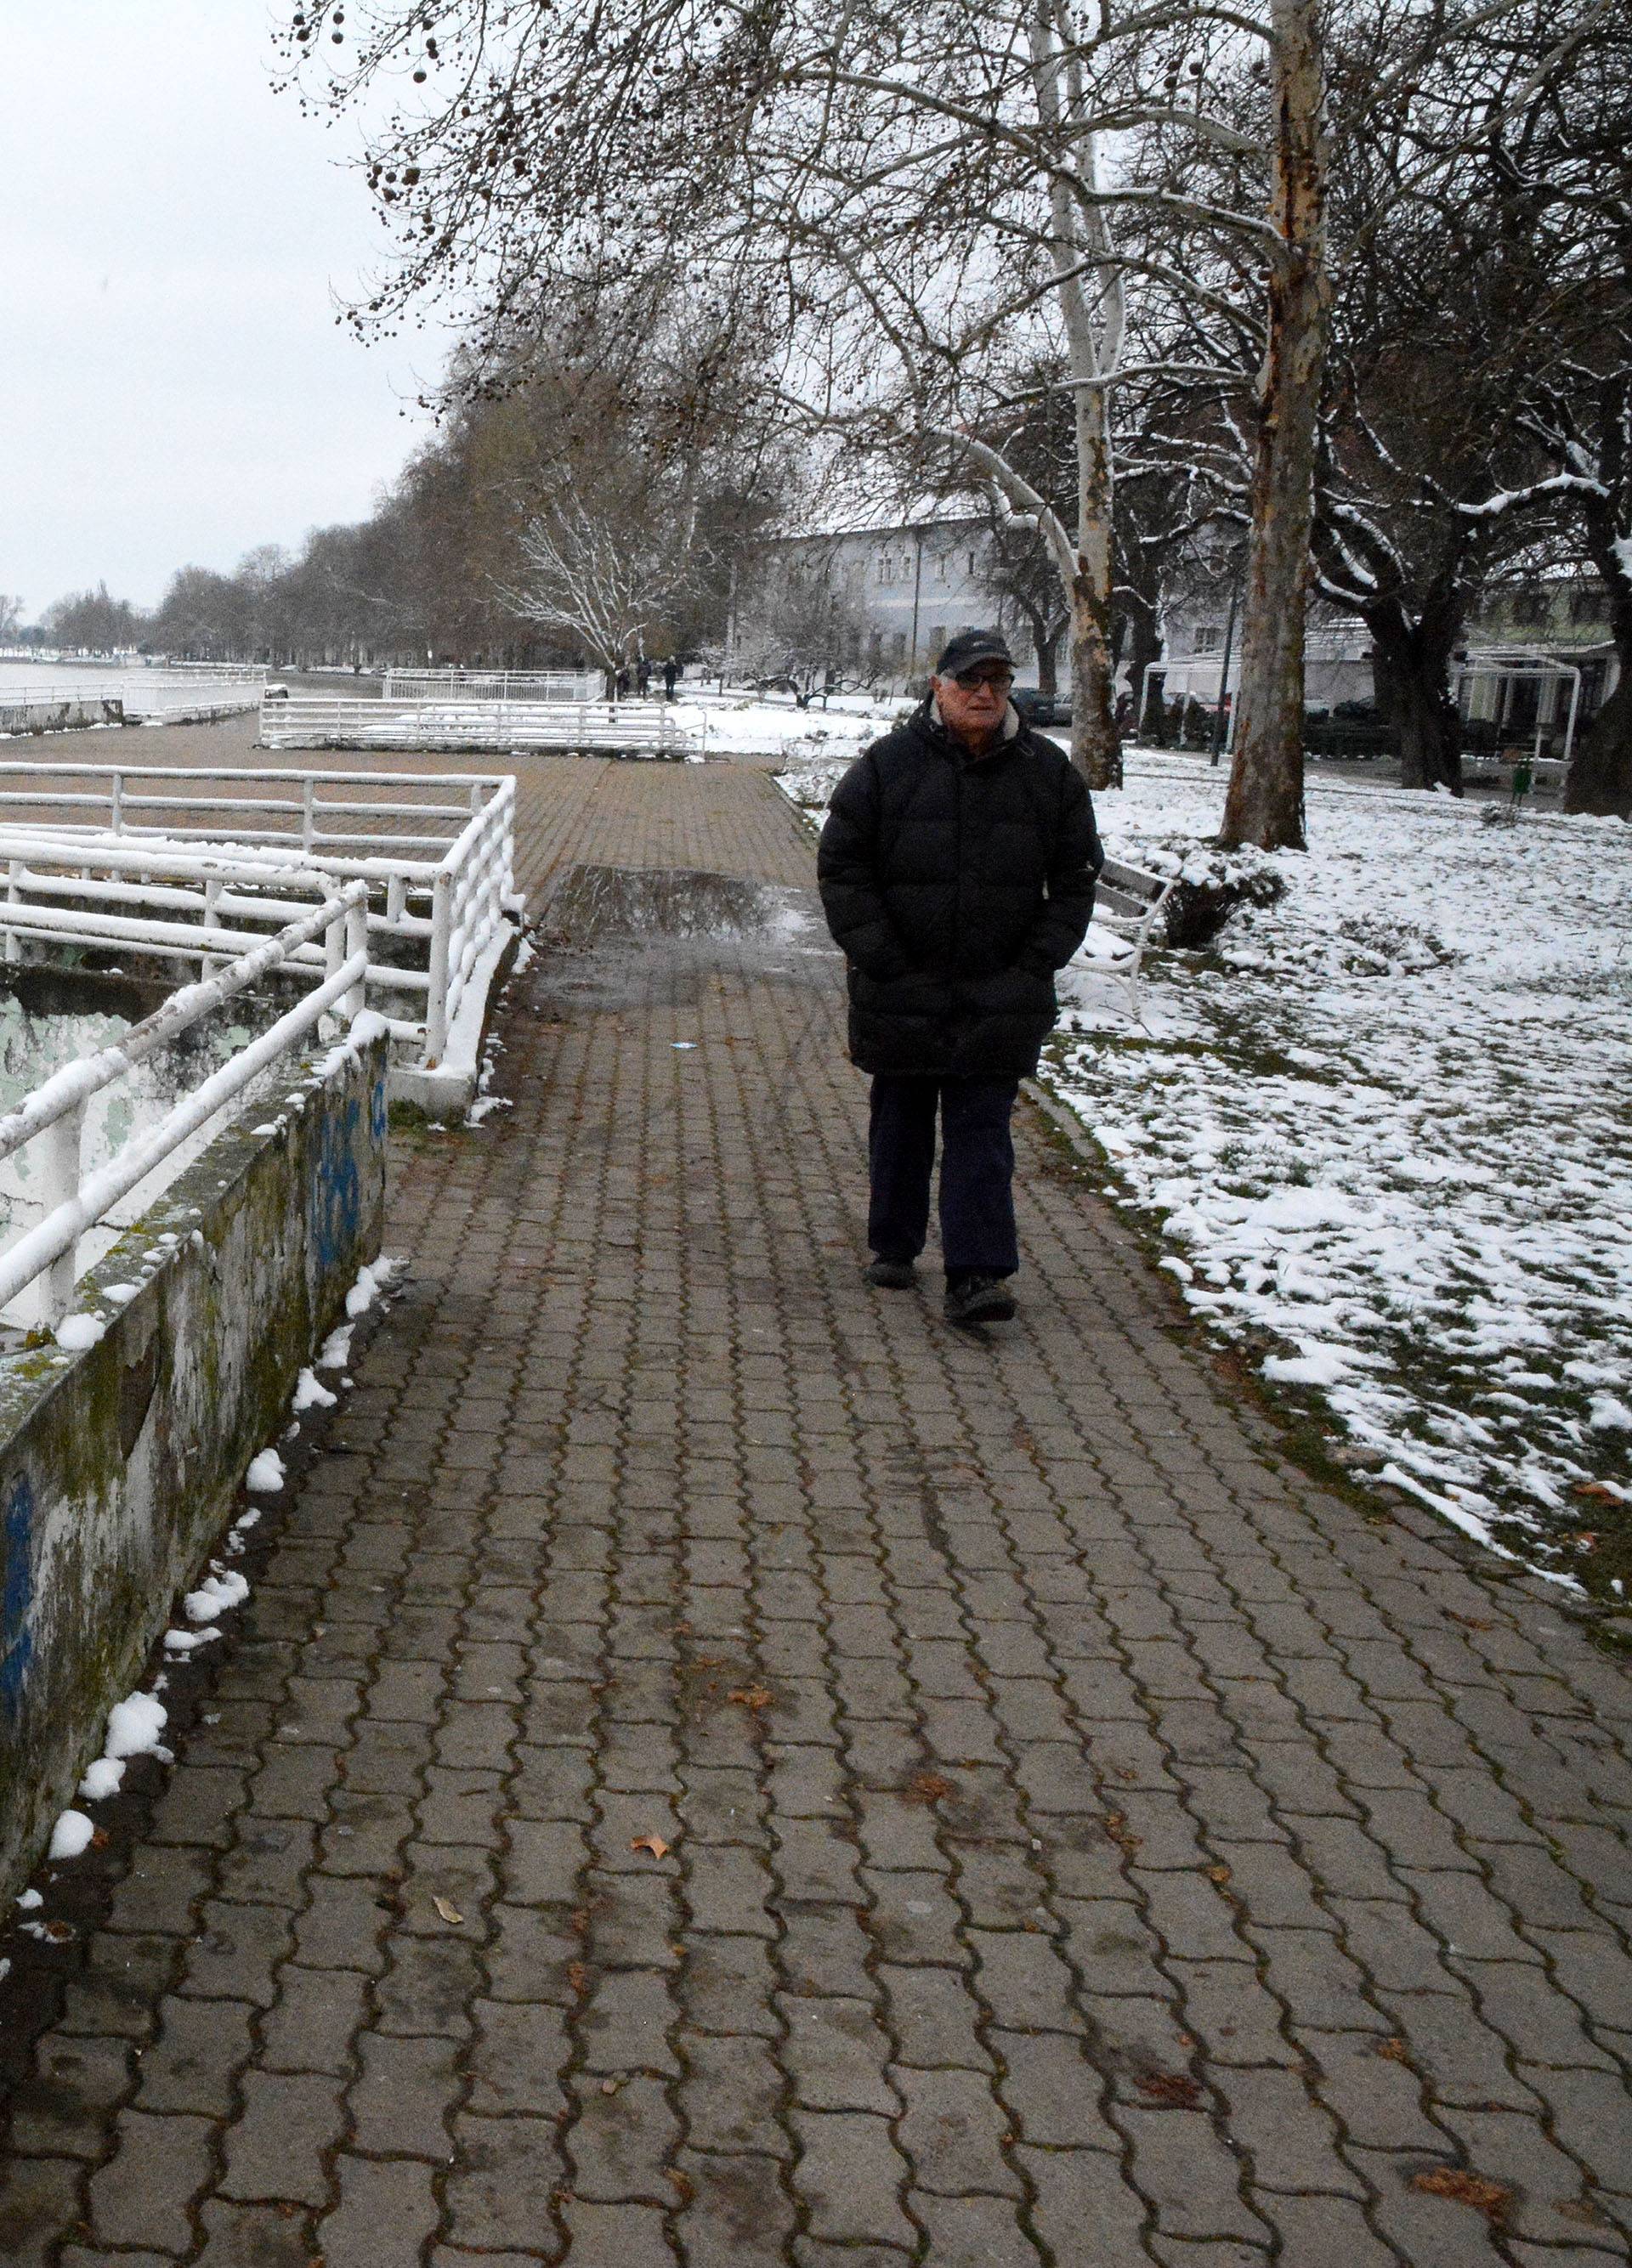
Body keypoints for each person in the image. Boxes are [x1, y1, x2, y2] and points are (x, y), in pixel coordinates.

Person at [818, 629, 1102, 1327]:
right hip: (903, 984)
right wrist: (883, 957)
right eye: (970, 681)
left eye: (997, 682)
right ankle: (894, 1242)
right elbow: (843, 867)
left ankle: (976, 1275)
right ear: (938, 686)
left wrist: (1034, 964)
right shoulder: (888, 765)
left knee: (982, 1134)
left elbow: (1074, 878)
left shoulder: (1047, 773)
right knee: (901, 1121)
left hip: (998, 991)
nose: (984, 694)